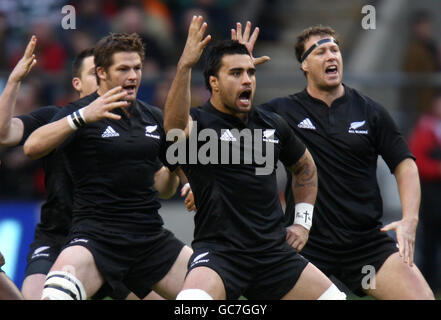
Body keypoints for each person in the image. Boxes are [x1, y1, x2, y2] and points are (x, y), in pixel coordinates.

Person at [235, 23, 434, 299]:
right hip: (304, 241)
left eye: (334, 49)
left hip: (365, 242)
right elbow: (232, 127)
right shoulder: (282, 111)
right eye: (320, 52)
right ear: (304, 66)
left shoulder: (370, 110)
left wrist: (410, 219)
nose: (331, 56)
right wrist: (239, 72)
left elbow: (405, 164)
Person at [163, 16, 346, 300]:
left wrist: (302, 222)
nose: (247, 79)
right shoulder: (197, 124)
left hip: (273, 255)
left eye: (250, 72)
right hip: (220, 255)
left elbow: (304, 166)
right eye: (236, 73)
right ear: (214, 82)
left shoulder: (272, 125)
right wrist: (185, 65)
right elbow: (173, 129)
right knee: (191, 304)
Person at [23, 32, 192, 300]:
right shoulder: (81, 111)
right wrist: (81, 118)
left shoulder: (152, 116)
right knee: (56, 294)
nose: (133, 76)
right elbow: (32, 146)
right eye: (123, 69)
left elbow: (170, 178)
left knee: (210, 292)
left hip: (149, 237)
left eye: (137, 68)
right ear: (101, 72)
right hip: (96, 237)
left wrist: (187, 182)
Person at [408, 92, 441, 294]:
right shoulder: (425, 129)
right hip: (432, 200)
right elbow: (416, 161)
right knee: (428, 244)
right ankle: (428, 285)